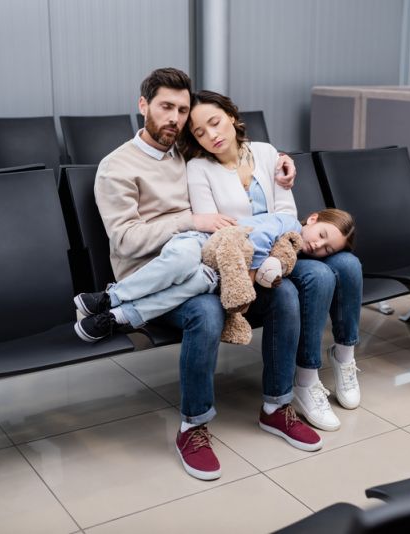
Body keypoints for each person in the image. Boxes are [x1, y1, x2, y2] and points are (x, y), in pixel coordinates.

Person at [93, 68, 321, 482]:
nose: (175, 119)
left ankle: (276, 406)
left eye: (182, 111)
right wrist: (190, 220)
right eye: (166, 107)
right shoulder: (116, 168)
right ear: (143, 105)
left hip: (210, 266)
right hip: (156, 281)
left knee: (285, 294)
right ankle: (193, 427)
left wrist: (283, 161)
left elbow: (239, 153)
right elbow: (124, 241)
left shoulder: (186, 153)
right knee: (207, 315)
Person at [181, 90, 364, 433]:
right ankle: (305, 381)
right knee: (318, 279)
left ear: (232, 116)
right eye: (199, 132)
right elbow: (220, 230)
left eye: (215, 122)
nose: (211, 135)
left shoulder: (266, 153)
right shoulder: (198, 168)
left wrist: (274, 238)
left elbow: (287, 212)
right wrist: (267, 237)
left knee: (348, 265)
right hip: (246, 259)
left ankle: (342, 360)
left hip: (284, 247)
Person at [73, 208, 355, 340]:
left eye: (325, 249)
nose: (317, 245)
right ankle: (112, 296)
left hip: (218, 273)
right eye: (321, 235)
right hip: (204, 241)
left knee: (197, 283)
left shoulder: (292, 257)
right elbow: (257, 239)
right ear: (314, 218)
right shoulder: (287, 221)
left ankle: (118, 317)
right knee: (182, 262)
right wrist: (252, 274)